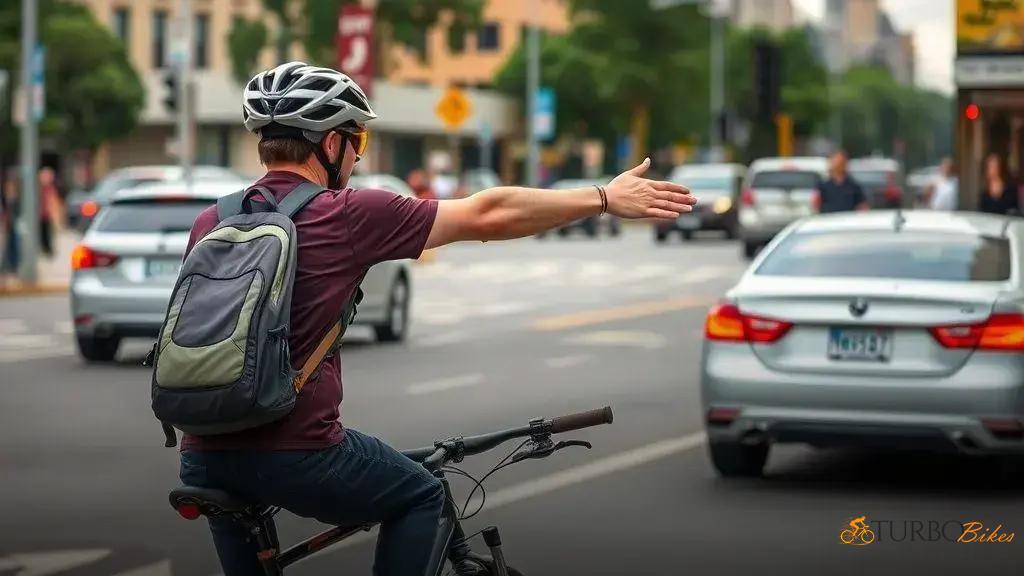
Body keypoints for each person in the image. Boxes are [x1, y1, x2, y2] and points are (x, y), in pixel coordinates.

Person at [178, 61, 694, 576]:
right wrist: (602, 197)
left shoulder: (213, 220)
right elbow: (488, 213)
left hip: (202, 452)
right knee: (421, 496)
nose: (358, 154)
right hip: (295, 450)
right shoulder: (345, 213)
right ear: (330, 145)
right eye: (356, 139)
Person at [1, 171, 21, 287]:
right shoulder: (6, 196)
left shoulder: (14, 196)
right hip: (7, 226)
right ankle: (7, 269)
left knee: (13, 246)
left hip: (12, 226)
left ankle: (13, 268)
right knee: (7, 248)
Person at [37, 167, 59, 258]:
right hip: (40, 214)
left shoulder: (51, 189)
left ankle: (48, 249)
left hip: (47, 214)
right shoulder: (39, 189)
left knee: (48, 232)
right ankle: (44, 248)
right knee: (42, 232)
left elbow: (54, 201)